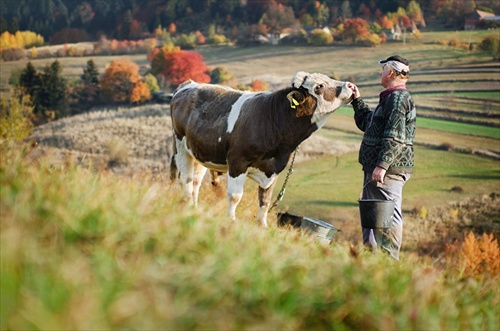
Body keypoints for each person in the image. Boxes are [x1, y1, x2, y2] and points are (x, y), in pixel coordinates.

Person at [348, 55, 416, 260]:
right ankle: (371, 259)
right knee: (371, 214)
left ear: (392, 73)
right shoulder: (389, 99)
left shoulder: (398, 99)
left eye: (383, 68)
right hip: (377, 168)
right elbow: (367, 123)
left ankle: (389, 262)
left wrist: (382, 165)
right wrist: (356, 100)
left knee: (388, 215)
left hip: (387, 170)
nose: (381, 73)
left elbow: (395, 137)